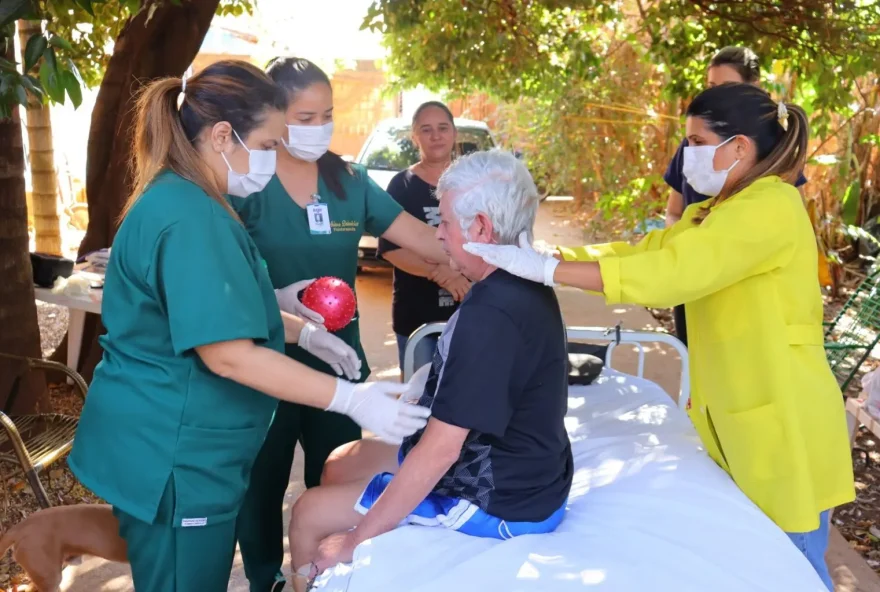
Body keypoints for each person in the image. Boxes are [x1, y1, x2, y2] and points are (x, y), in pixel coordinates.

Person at [464, 84, 854, 590]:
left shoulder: (771, 206)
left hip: (784, 422)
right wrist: (550, 259)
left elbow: (674, 272)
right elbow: (642, 253)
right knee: (758, 562)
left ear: (738, 147)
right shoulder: (714, 211)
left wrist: (546, 271)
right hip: (746, 417)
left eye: (694, 141)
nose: (685, 155)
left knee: (793, 565)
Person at [67, 60, 429, 592]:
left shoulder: (196, 200)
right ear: (221, 136)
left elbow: (222, 306)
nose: (272, 157)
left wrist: (302, 332)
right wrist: (350, 400)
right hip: (177, 459)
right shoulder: (190, 216)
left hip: (185, 449)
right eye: (266, 143)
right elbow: (228, 353)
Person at [286, 150, 573, 591]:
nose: (438, 236)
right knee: (341, 462)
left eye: (445, 223)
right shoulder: (522, 278)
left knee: (309, 513)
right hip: (525, 470)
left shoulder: (492, 313)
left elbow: (441, 451)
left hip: (502, 499)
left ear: (481, 227)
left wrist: (355, 541)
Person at [231, 57, 452, 592]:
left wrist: (486, 258)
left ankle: (331, 575)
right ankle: (268, 578)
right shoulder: (246, 183)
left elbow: (418, 237)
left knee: (338, 470)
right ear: (274, 115)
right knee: (261, 481)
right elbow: (230, 280)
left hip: (340, 357)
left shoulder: (346, 179)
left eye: (327, 114)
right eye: (305, 117)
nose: (319, 128)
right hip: (266, 359)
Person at [664, 46, 808, 347]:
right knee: (697, 366)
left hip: (742, 297)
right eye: (710, 87)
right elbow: (675, 212)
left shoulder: (775, 166)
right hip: (691, 276)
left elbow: (793, 225)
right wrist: (679, 254)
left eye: (726, 86)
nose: (715, 96)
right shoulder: (695, 149)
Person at [377, 100, 472, 374]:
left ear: (454, 133)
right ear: (414, 136)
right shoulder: (401, 185)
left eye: (443, 128)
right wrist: (442, 273)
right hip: (416, 318)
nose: (436, 136)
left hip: (470, 314)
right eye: (426, 129)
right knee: (419, 402)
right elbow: (392, 249)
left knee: (468, 398)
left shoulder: (475, 183)